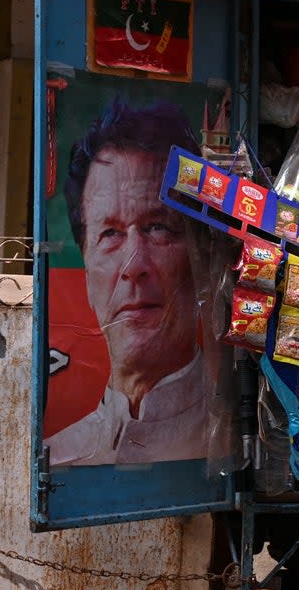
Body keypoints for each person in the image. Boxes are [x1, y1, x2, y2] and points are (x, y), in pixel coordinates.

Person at [47, 98, 208, 466]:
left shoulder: (230, 443)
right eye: (110, 234)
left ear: (198, 256)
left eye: (158, 227)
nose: (134, 265)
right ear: (87, 269)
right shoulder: (57, 459)